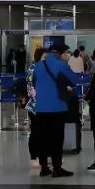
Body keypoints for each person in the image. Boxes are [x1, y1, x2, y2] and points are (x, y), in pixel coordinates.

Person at [32, 43, 78, 177]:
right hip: (57, 107)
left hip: (40, 107)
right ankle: (57, 168)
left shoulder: (38, 66)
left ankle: (44, 168)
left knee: (43, 137)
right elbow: (73, 80)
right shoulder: (61, 65)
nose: (67, 56)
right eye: (66, 53)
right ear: (60, 53)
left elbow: (34, 82)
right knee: (57, 138)